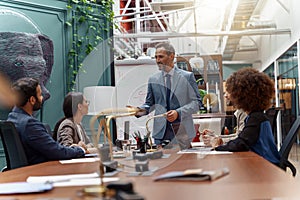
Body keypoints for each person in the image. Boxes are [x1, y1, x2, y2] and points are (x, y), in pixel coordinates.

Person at [131, 42, 202, 149]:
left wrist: (178, 113)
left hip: (182, 133)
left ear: (172, 56)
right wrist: (138, 110)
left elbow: (196, 103)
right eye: (156, 57)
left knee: (186, 163)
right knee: (163, 164)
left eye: (161, 57)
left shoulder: (187, 77)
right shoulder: (153, 79)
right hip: (161, 134)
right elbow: (150, 104)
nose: (157, 60)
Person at [7, 77, 86, 165]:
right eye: (40, 95)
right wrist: (80, 149)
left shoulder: (12, 117)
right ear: (32, 100)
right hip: (40, 171)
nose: (42, 98)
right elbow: (56, 152)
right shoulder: (30, 124)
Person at [213, 67, 281, 165]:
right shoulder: (255, 116)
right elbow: (242, 140)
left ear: (242, 95)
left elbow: (241, 144)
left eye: (230, 91)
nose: (226, 95)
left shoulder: (256, 118)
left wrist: (217, 147)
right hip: (262, 163)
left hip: (266, 166)